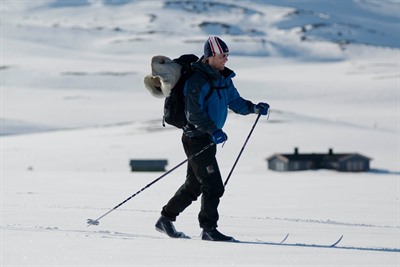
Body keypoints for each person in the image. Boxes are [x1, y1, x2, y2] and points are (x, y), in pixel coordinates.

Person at [155, 36, 270, 241]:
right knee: (213, 185)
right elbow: (193, 113)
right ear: (210, 57)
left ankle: (165, 219)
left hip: (208, 139)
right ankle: (208, 229)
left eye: (227, 55)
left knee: (194, 185)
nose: (226, 59)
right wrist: (212, 130)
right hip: (196, 138)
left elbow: (235, 101)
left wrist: (253, 108)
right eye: (222, 55)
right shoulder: (197, 80)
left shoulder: (224, 79)